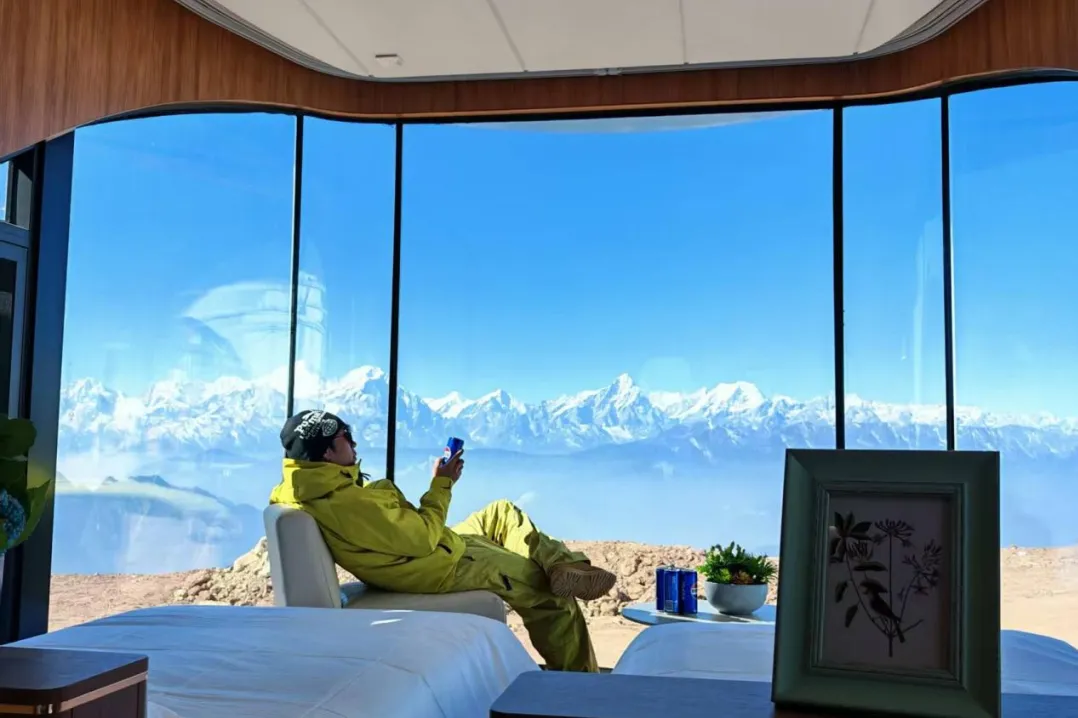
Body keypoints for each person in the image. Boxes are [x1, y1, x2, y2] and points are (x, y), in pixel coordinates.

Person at [268, 409, 616, 672]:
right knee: (551, 598)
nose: (354, 442)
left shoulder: (302, 486)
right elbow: (422, 538)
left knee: (500, 512)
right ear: (327, 453)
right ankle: (580, 692)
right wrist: (442, 484)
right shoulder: (346, 502)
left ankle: (565, 565)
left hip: (424, 554)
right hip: (437, 566)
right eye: (347, 436)